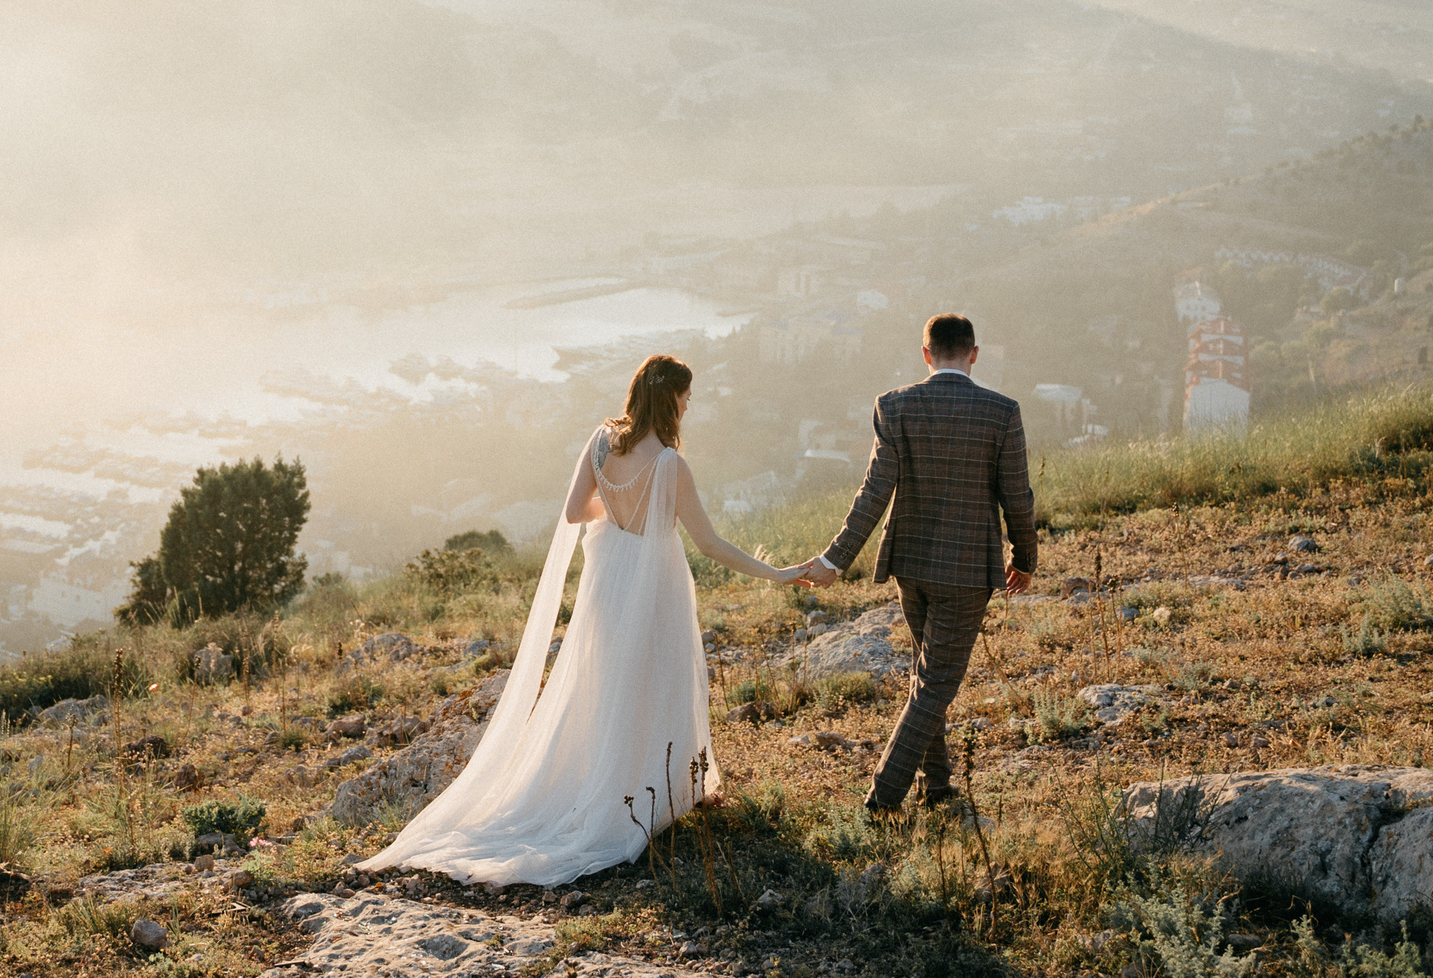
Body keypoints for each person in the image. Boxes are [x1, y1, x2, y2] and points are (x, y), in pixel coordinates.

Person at [358, 354, 806, 886]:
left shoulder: (601, 443)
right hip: (653, 584)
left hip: (606, 580)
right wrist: (777, 573)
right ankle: (658, 790)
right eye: (687, 397)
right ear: (670, 400)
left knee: (603, 683)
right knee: (658, 680)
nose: (689, 406)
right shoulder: (670, 465)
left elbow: (574, 512)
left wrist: (617, 511)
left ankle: (613, 782)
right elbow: (709, 544)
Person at [796, 312, 1037, 814]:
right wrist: (1024, 557)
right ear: (973, 354)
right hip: (968, 571)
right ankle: (882, 801)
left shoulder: (894, 406)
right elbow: (1017, 496)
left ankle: (937, 784)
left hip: (910, 563)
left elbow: (874, 491)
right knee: (935, 684)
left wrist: (836, 559)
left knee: (925, 676)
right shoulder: (1001, 412)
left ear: (926, 354)